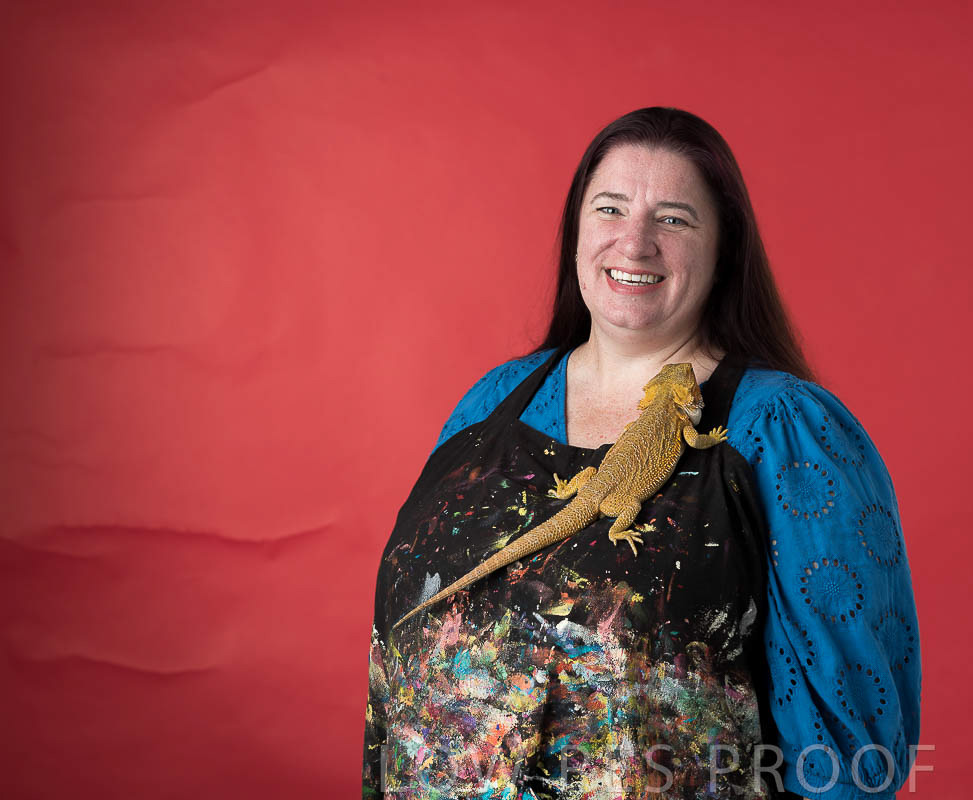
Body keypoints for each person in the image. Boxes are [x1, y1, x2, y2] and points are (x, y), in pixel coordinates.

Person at [363, 107, 920, 799]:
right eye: (610, 209)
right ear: (577, 233)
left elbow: (850, 750)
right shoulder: (492, 403)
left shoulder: (783, 429)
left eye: (674, 219)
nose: (635, 243)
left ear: (724, 251)